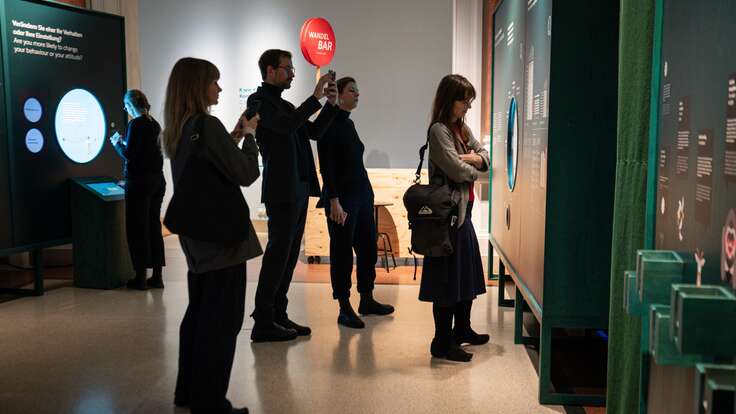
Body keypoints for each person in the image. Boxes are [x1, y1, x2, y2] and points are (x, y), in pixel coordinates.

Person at [162, 57, 261, 414]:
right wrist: (249, 137)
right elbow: (246, 173)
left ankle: (188, 392)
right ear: (197, 85)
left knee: (199, 315)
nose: (219, 88)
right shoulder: (207, 124)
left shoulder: (180, 128)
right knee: (223, 320)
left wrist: (231, 137)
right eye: (214, 82)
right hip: (222, 239)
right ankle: (211, 402)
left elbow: (206, 166)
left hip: (196, 238)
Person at [246, 49, 339, 342]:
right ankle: (263, 320)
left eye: (292, 68)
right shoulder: (258, 103)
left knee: (287, 257)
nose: (292, 73)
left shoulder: (284, 105)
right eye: (287, 69)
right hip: (281, 189)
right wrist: (315, 96)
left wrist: (331, 105)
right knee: (278, 255)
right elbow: (286, 127)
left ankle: (277, 314)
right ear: (270, 71)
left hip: (297, 188)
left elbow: (312, 132)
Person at [420, 74, 490, 362]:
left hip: (463, 215)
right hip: (447, 218)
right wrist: (476, 165)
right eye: (465, 101)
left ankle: (462, 329)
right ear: (450, 99)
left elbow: (486, 156)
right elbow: (458, 171)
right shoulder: (439, 131)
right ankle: (441, 341)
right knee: (447, 282)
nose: (468, 107)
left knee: (465, 278)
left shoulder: (461, 129)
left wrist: (476, 159)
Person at [316, 77, 395, 329]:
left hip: (361, 195)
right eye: (352, 90)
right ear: (338, 95)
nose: (357, 94)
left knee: (367, 248)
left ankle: (366, 298)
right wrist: (334, 200)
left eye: (358, 90)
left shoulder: (348, 124)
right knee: (341, 253)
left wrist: (366, 197)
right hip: (342, 199)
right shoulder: (328, 124)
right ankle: (344, 305)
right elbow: (326, 165)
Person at [110, 89, 166, 290]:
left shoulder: (135, 124)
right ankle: (157, 277)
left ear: (132, 104)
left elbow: (130, 155)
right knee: (153, 227)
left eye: (125, 104)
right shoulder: (154, 124)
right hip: (157, 181)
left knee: (137, 229)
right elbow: (147, 152)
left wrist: (117, 144)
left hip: (139, 183)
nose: (124, 108)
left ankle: (140, 277)